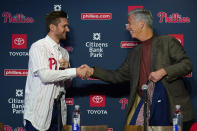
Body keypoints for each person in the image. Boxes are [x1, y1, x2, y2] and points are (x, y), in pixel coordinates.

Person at [82, 8, 195, 131]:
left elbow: (187, 65)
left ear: (141, 24)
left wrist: (164, 71)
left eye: (130, 23)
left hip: (170, 110)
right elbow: (117, 76)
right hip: (145, 108)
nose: (128, 27)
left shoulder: (167, 42)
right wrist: (92, 71)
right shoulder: (135, 53)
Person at [23, 10, 86, 131]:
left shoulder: (64, 52)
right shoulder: (39, 47)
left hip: (58, 110)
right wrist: (75, 71)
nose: (67, 30)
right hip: (38, 112)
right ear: (52, 27)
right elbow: (45, 76)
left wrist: (67, 69)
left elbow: (67, 85)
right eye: (64, 26)